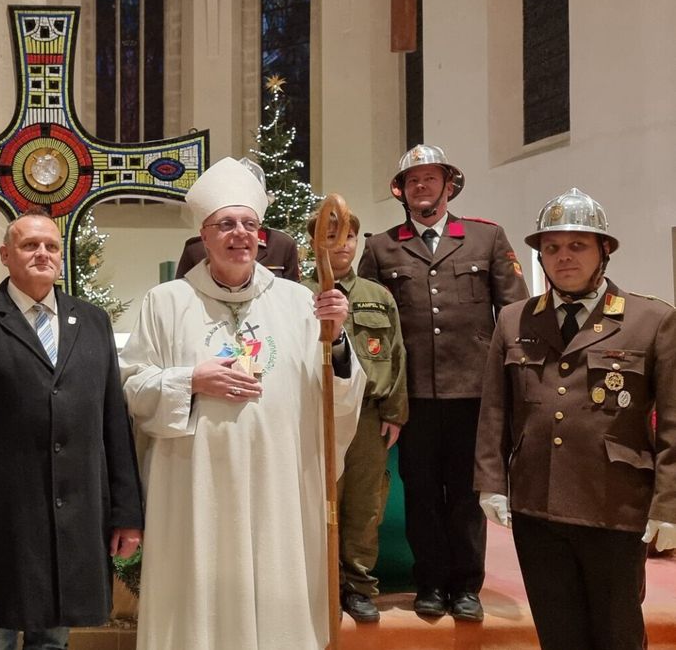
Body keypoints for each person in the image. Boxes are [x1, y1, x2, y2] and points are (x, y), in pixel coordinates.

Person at [119, 157, 365, 650]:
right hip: (196, 488)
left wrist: (335, 341)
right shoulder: (166, 302)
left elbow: (337, 394)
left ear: (262, 236)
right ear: (204, 238)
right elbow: (133, 388)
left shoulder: (300, 302)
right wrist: (191, 379)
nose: (239, 234)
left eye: (249, 225)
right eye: (225, 225)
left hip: (279, 487)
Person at [0, 209, 144, 649]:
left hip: (76, 519)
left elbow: (113, 424)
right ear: (5, 255)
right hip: (2, 520)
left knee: (53, 640)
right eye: (30, 245)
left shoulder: (92, 321)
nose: (42, 253)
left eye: (51, 246)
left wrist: (126, 513)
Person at [474, 188, 676, 650]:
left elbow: (673, 424)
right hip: (536, 505)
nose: (563, 257)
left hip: (614, 504)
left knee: (617, 631)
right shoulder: (514, 320)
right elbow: (495, 411)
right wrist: (491, 482)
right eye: (552, 247)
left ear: (604, 250)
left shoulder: (652, 320)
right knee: (557, 630)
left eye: (577, 245)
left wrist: (669, 504)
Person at [357, 144, 527, 621]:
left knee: (468, 493)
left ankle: (467, 585)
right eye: (413, 181)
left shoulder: (485, 239)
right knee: (423, 492)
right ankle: (430, 582)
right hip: (413, 397)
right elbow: (370, 321)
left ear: (448, 186)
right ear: (402, 191)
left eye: (431, 178)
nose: (422, 187)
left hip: (474, 393)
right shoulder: (380, 247)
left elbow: (513, 314)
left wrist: (513, 387)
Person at [303, 208, 408, 623]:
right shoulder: (298, 294)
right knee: (319, 500)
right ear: (315, 243)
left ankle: (360, 586)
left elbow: (397, 354)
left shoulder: (376, 296)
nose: (342, 244)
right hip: (317, 416)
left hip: (368, 416)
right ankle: (321, 584)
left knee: (365, 504)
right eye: (331, 236)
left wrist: (395, 412)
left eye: (349, 236)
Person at [173, 156, 301, 281]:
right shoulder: (196, 249)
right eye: (227, 223)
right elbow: (183, 292)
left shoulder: (281, 244)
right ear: (205, 237)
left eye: (249, 223)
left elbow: (291, 295)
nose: (240, 231)